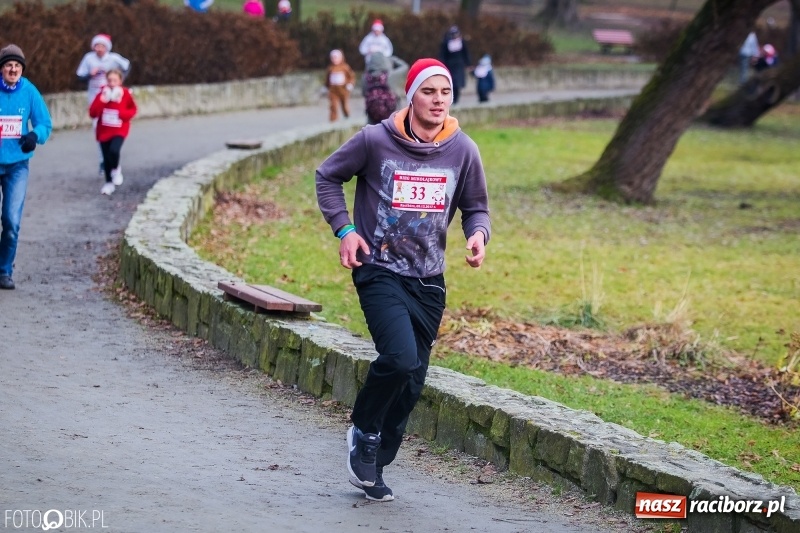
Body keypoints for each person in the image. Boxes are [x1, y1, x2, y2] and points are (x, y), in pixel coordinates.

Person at [315, 58, 491, 502]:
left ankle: (376, 456)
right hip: (379, 269)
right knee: (398, 357)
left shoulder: (463, 150)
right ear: (411, 97)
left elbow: (476, 207)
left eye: (445, 92)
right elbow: (327, 176)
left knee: (413, 380)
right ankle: (364, 431)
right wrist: (345, 229)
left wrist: (477, 235)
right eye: (428, 92)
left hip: (429, 280)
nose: (438, 100)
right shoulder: (375, 140)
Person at [0, 45, 52, 290]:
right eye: (8, 65)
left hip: (17, 166)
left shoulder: (29, 91)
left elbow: (45, 123)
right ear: (2, 69)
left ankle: (4, 271)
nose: (13, 69)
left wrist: (34, 135)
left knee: (11, 222)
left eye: (17, 66)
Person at [76, 34, 131, 175]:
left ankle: (113, 158)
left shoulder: (113, 58)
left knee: (113, 129)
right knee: (98, 129)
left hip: (112, 99)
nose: (99, 49)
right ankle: (104, 161)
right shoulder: (89, 58)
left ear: (107, 47)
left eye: (102, 46)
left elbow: (127, 66)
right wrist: (90, 74)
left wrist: (119, 81)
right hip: (96, 98)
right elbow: (79, 76)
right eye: (97, 46)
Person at [88, 69, 137, 196]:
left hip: (119, 129)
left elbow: (133, 110)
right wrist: (101, 101)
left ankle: (116, 168)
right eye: (110, 80)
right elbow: (92, 113)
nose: (112, 83)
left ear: (120, 81)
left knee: (114, 151)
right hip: (104, 130)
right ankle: (108, 183)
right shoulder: (102, 94)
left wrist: (122, 115)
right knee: (106, 157)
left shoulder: (125, 94)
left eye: (115, 80)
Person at [362, 53, 398, 125]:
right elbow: (405, 66)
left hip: (372, 114)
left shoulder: (365, 77)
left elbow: (364, 93)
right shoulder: (390, 75)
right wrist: (393, 59)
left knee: (372, 129)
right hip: (390, 113)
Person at [439, 25, 471, 105]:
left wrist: (468, 64)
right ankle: (452, 98)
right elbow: (443, 55)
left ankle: (456, 99)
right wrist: (442, 65)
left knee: (457, 83)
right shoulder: (446, 43)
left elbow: (465, 53)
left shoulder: (462, 42)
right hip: (450, 66)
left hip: (459, 65)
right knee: (451, 83)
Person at [325, 49, 355, 122]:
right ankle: (333, 119)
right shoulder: (330, 68)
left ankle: (347, 116)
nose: (334, 60)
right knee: (333, 105)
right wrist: (326, 86)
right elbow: (327, 79)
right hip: (333, 90)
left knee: (344, 104)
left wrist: (350, 84)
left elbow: (351, 76)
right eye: (333, 58)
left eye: (336, 58)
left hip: (343, 89)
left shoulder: (345, 67)